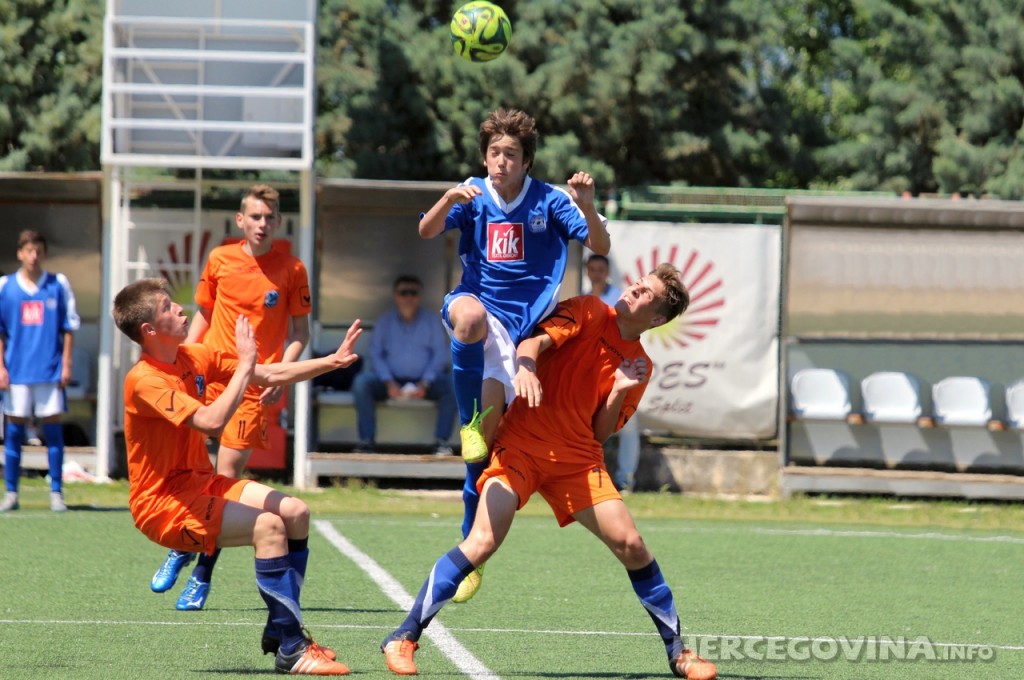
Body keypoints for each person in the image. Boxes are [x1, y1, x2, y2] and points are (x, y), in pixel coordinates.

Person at [379, 264, 715, 680]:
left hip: (577, 459)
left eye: (646, 293)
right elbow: (535, 340)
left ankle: (679, 652)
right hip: (521, 445)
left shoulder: (640, 365)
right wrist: (526, 366)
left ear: (658, 318)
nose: (634, 290)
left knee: (632, 545)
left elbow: (600, 432)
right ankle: (404, 636)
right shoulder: (590, 310)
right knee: (482, 542)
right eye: (638, 283)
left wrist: (618, 390)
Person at [112, 277, 358, 675]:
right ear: (150, 330)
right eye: (167, 307)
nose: (179, 308)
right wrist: (244, 366)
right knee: (268, 528)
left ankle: (282, 628)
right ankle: (292, 648)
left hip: (201, 483)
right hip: (163, 505)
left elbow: (269, 374)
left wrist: (332, 361)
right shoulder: (144, 380)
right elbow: (211, 421)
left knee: (295, 512)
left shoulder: (193, 356)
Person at [418, 107, 611, 601]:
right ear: (484, 158)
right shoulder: (471, 192)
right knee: (468, 319)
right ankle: (467, 422)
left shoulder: (550, 200)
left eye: (510, 154)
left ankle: (470, 545)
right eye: (493, 153)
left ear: (526, 161)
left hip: (519, 331)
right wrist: (447, 199)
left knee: (481, 457)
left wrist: (588, 206)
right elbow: (427, 231)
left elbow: (601, 245)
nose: (500, 161)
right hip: (478, 309)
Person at [150, 183, 312, 611]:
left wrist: (282, 374)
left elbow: (300, 333)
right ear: (241, 220)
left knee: (225, 479)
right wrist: (182, 365)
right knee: (189, 468)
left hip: (253, 387)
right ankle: (183, 544)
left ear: (279, 222)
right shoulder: (220, 259)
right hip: (208, 378)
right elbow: (203, 316)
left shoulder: (292, 269)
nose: (262, 224)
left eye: (269, 217)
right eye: (254, 216)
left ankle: (201, 573)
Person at [0, 230, 80, 513]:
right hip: (17, 371)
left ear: (44, 253)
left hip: (49, 370)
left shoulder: (58, 284)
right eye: (28, 251)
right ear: (20, 253)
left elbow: (69, 327)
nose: (33, 256)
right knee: (14, 432)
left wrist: (66, 364)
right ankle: (11, 493)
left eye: (38, 251)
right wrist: (1, 367)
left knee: (53, 432)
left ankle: (56, 492)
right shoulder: (5, 287)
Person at [351, 275, 457, 455]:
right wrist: (388, 382)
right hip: (389, 381)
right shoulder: (384, 322)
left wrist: (425, 383)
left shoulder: (432, 321)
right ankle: (366, 441)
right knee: (361, 383)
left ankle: (442, 442)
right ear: (396, 296)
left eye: (413, 293)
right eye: (404, 292)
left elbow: (440, 355)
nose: (409, 297)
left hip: (425, 382)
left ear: (420, 296)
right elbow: (375, 354)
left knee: (453, 384)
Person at [585, 253, 641, 491]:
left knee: (628, 426)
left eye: (601, 270)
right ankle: (588, 478)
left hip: (619, 371)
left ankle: (625, 479)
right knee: (588, 429)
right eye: (593, 269)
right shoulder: (584, 299)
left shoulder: (620, 298)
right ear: (587, 272)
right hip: (589, 375)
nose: (596, 274)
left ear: (607, 272)